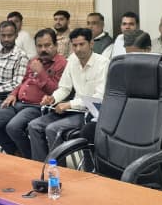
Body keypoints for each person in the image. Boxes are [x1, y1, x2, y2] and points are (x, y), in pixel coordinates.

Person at [0, 28, 65, 158]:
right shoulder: (34, 61)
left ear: (55, 45)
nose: (43, 49)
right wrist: (13, 94)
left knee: (13, 127)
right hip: (18, 102)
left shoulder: (61, 64)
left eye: (47, 45)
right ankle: (17, 153)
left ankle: (30, 159)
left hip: (37, 107)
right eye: (39, 46)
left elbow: (56, 91)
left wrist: (41, 72)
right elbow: (23, 81)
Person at [29, 28, 107, 161]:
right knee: (34, 125)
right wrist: (53, 98)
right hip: (72, 110)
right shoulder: (72, 60)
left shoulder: (103, 63)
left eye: (81, 44)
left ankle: (57, 169)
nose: (78, 49)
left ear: (91, 44)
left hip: (89, 113)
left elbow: (98, 98)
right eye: (74, 45)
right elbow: (64, 88)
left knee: (52, 129)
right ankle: (40, 165)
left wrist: (70, 104)